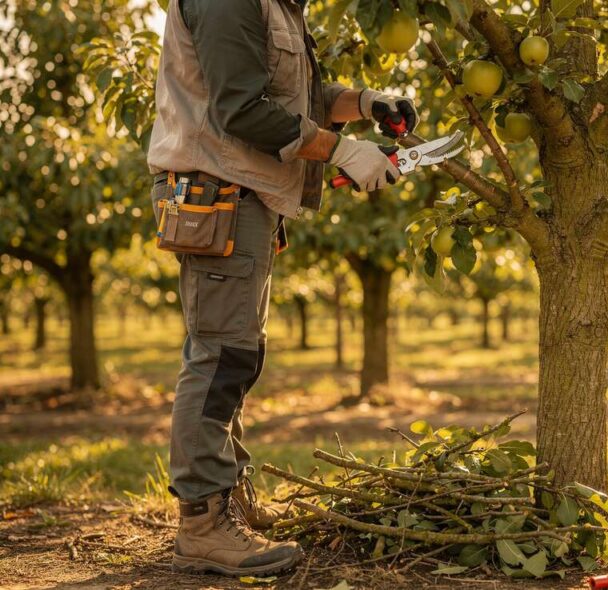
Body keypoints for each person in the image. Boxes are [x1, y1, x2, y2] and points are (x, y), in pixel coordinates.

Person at [146, 0, 418, 577]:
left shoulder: (279, 6)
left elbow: (293, 100)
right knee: (220, 356)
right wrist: (343, 149)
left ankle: (226, 501)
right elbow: (242, 110)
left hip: (248, 196)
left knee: (238, 354)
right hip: (220, 191)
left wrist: (365, 105)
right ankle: (201, 524)